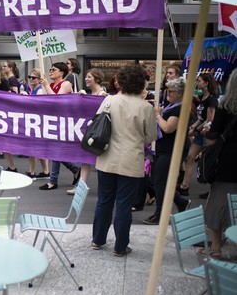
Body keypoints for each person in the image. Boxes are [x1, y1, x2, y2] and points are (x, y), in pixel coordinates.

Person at [91, 65, 157, 256]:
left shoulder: (109, 101)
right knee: (124, 205)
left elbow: (96, 123)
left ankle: (98, 239)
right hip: (131, 160)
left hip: (106, 158)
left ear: (120, 82)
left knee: (104, 200)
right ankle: (120, 246)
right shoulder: (146, 107)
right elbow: (151, 136)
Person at [142, 78, 191, 225]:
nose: (167, 93)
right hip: (164, 148)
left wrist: (157, 114)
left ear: (180, 93)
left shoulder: (180, 108)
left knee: (160, 182)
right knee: (159, 181)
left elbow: (168, 128)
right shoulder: (173, 106)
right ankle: (180, 202)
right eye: (167, 90)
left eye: (171, 91)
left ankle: (161, 215)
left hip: (172, 149)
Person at [201, 69, 237, 258]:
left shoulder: (225, 107)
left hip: (227, 162)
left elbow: (213, 138)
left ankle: (215, 246)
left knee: (218, 203)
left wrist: (206, 133)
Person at [66, 68, 109, 195]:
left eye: (89, 77)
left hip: (100, 132)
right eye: (86, 76)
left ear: (97, 78)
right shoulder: (89, 94)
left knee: (101, 160)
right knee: (85, 159)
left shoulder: (103, 95)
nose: (86, 79)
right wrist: (82, 97)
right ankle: (81, 187)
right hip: (91, 131)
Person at [39, 62, 80, 190]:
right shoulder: (51, 85)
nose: (50, 72)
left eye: (53, 69)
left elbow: (57, 100)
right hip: (53, 121)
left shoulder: (66, 84)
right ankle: (75, 169)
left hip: (64, 121)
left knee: (55, 150)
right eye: (50, 69)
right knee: (55, 151)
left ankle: (53, 181)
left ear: (61, 73)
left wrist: (46, 85)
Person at [178, 72, 219, 196]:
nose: (197, 82)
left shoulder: (211, 99)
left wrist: (195, 129)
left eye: (199, 80)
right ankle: (184, 186)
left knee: (210, 161)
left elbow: (209, 119)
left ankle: (213, 189)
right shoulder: (202, 98)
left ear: (206, 83)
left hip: (208, 134)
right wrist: (194, 126)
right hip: (201, 133)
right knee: (190, 157)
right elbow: (201, 118)